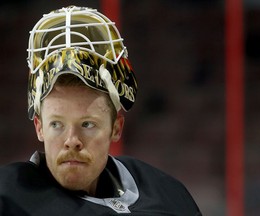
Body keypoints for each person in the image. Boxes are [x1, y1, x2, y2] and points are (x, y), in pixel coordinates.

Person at [0, 6, 202, 215]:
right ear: (39, 127)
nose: (72, 140)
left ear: (116, 128)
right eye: (57, 124)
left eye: (87, 124)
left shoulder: (168, 195)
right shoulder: (8, 199)